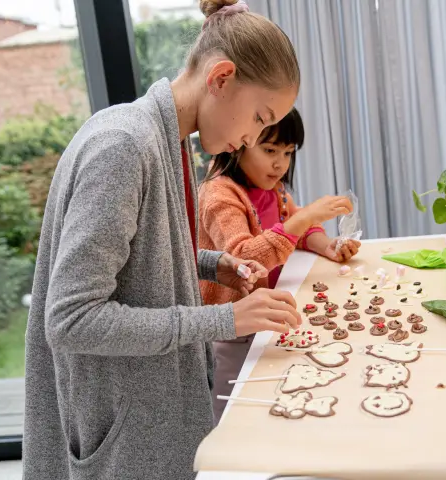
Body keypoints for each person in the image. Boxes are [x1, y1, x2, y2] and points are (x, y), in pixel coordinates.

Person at [22, 1, 302, 479]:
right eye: (259, 117)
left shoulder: (166, 140)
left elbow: (141, 258)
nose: (253, 136)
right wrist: (221, 319)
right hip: (125, 433)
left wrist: (216, 265)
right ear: (221, 77)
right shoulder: (124, 146)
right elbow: (71, 318)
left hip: (150, 418)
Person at [198, 107, 360, 421]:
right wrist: (305, 218)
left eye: (287, 153)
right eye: (269, 150)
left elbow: (299, 230)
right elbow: (244, 260)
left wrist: (326, 244)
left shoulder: (274, 189)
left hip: (265, 317)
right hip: (230, 330)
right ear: (239, 143)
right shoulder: (219, 194)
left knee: (274, 398)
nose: (279, 163)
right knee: (232, 410)